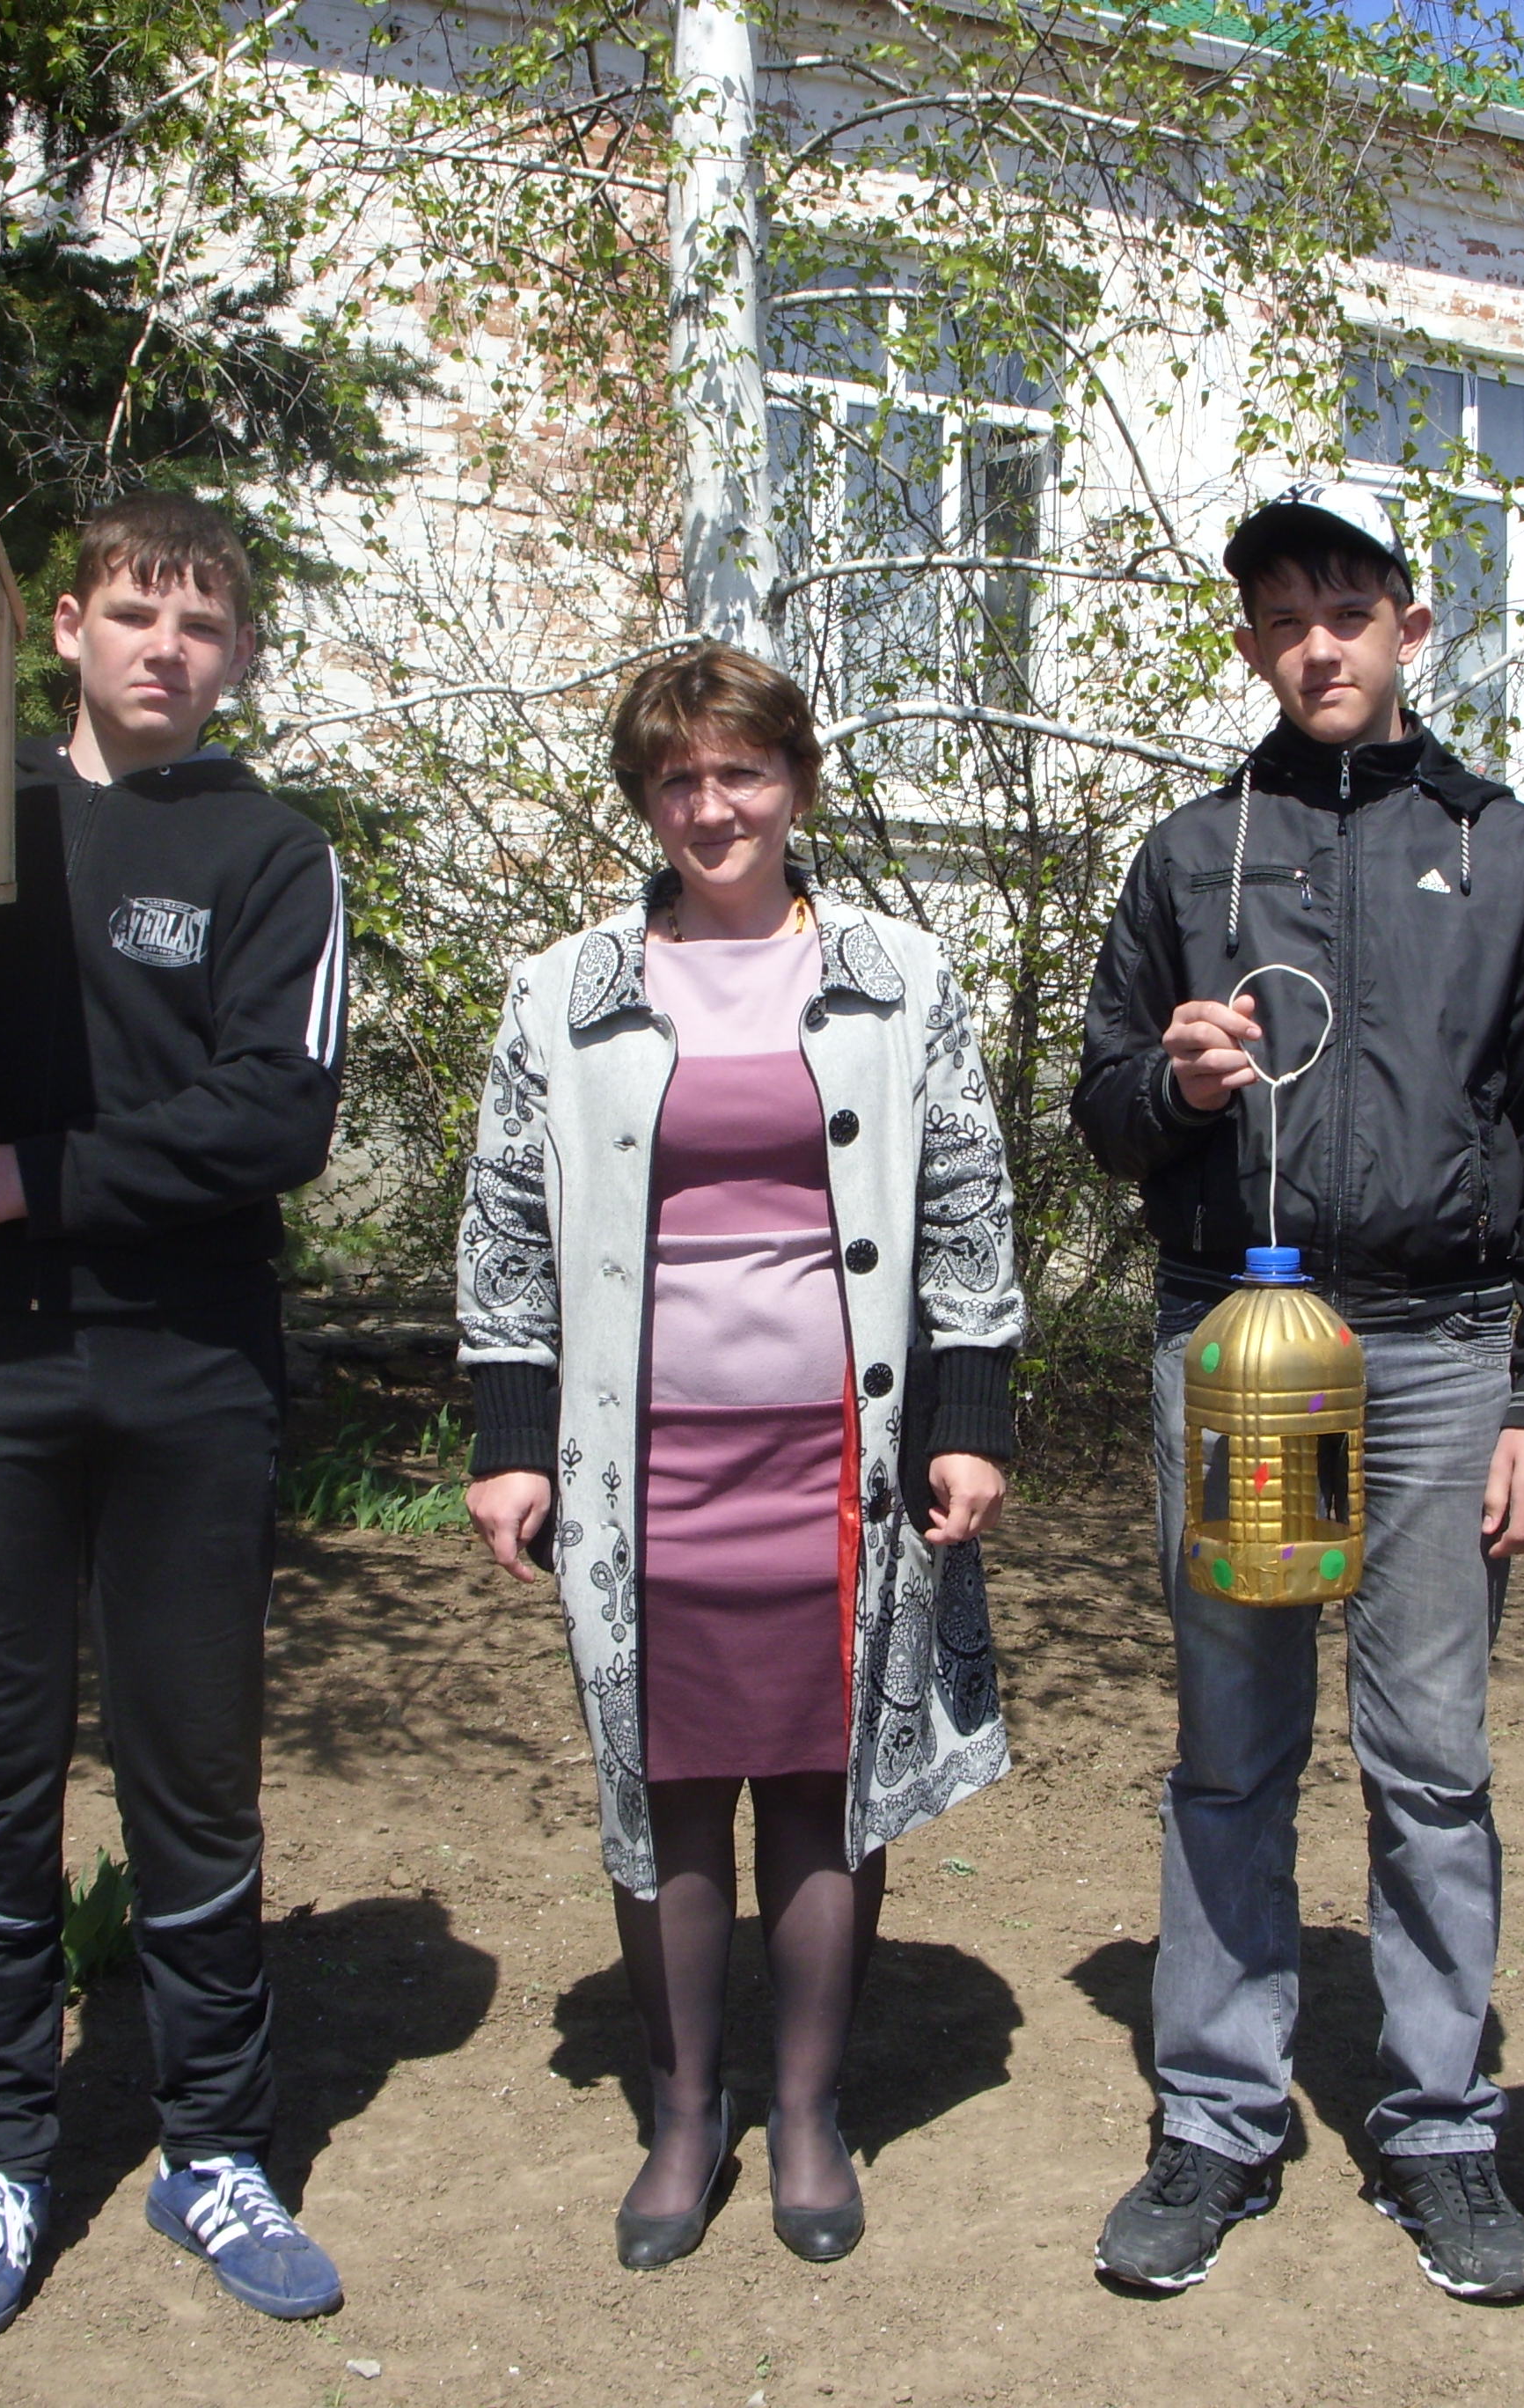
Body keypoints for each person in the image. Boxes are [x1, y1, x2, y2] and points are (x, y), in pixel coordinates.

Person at [1073, 481, 1524, 2300]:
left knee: (1432, 1760)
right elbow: (1100, 1119)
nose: (1318, 642)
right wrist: (1183, 1091)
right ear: (1249, 645)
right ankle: (1217, 2122)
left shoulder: (1509, 851)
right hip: (1239, 1342)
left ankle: (1441, 2129)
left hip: (1449, 1352)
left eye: (1350, 607)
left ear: (1412, 626)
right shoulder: (1188, 857)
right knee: (1234, 1752)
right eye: (1283, 616)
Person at [0, 493, 349, 2346]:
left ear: (241, 657)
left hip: (191, 1377)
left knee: (192, 1774)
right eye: (133, 612)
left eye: (201, 626)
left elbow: (271, 1120)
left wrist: (18, 1180)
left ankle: (217, 2144)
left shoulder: (271, 850)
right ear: (63, 625)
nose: (164, 649)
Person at [457, 642, 1024, 2269]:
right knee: (669, 1784)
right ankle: (684, 2108)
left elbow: (970, 1198)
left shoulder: (900, 973)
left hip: (837, 1458)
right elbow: (503, 1226)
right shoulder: (563, 993)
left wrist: (969, 1417)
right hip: (642, 1467)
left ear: (797, 780)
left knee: (827, 1785)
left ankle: (809, 2109)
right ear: (645, 800)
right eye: (677, 780)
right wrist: (511, 1445)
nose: (713, 807)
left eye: (742, 772)